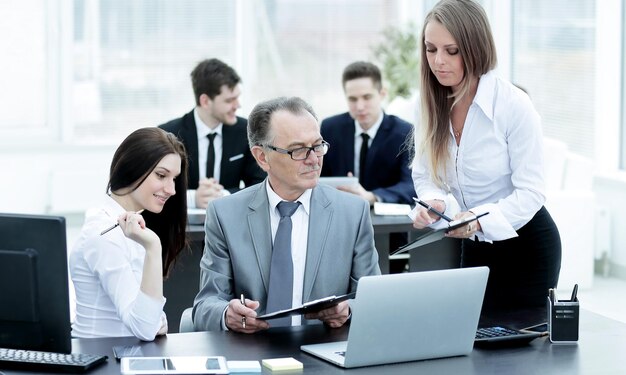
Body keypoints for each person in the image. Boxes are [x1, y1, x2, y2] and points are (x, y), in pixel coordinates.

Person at [411, 0, 561, 313]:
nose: (438, 61)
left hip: (527, 245)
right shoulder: (430, 104)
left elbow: (531, 192)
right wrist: (436, 202)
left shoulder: (514, 106)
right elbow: (425, 175)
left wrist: (479, 222)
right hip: (475, 245)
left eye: (451, 51)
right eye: (430, 49)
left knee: (524, 350)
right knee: (474, 342)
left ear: (475, 48)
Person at [192, 96, 381, 333]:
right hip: (252, 353)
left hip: (323, 354)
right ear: (262, 157)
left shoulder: (353, 212)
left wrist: (348, 309)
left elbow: (374, 301)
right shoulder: (224, 214)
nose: (314, 159)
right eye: (298, 150)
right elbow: (204, 306)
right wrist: (227, 314)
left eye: (318, 145)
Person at [70, 127, 189, 340]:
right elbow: (145, 327)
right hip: (101, 361)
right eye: (161, 175)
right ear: (132, 168)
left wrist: (154, 320)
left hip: (125, 354)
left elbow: (155, 320)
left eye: (174, 179)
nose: (171, 189)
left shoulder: (128, 225)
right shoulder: (105, 233)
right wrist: (153, 246)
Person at [159, 58, 265, 209]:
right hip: (180, 225)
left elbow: (261, 184)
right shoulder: (168, 134)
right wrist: (192, 198)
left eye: (237, 98)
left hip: (231, 219)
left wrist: (223, 196)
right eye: (229, 100)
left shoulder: (247, 131)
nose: (237, 105)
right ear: (205, 101)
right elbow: (152, 188)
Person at [320, 61, 414, 206]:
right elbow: (318, 177)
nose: (359, 106)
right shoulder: (330, 128)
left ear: (382, 94)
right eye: (352, 99)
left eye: (367, 97)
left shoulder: (404, 132)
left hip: (386, 223)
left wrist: (372, 197)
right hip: (340, 212)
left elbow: (411, 185)